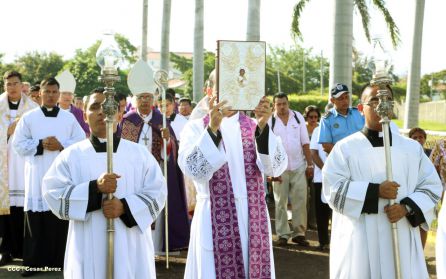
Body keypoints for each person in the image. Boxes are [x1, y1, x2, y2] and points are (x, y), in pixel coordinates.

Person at [42, 90, 167, 278]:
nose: (102, 112)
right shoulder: (71, 155)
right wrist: (94, 189)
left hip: (131, 243)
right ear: (84, 116)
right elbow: (52, 193)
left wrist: (125, 207)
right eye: (94, 107)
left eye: (108, 107)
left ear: (119, 115)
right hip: (86, 243)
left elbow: (158, 192)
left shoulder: (139, 154)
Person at [322, 84, 442, 278]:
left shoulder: (412, 148)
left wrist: (406, 208)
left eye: (386, 101)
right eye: (374, 101)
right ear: (361, 108)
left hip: (401, 234)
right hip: (361, 240)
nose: (381, 107)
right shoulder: (345, 148)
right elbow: (332, 190)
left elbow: (431, 186)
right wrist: (375, 191)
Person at [179, 76, 288, 278]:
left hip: (253, 217)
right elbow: (194, 170)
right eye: (223, 85)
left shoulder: (256, 125)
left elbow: (276, 168)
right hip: (213, 218)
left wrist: (264, 129)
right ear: (209, 91)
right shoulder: (195, 127)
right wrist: (212, 130)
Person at [12, 77, 85, 276]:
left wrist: (61, 145)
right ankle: (33, 263)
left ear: (59, 94)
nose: (51, 95)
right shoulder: (29, 117)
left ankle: (60, 262)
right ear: (41, 93)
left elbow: (80, 142)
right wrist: (40, 144)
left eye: (55, 92)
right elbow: (18, 144)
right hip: (36, 174)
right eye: (48, 92)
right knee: (36, 219)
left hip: (61, 176)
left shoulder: (69, 119)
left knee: (59, 220)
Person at [120, 59, 190, 252]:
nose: (145, 100)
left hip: (157, 170)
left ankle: (155, 247)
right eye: (141, 97)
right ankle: (135, 247)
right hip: (132, 173)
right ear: (135, 99)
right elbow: (121, 149)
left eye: (148, 97)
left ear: (153, 99)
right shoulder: (128, 121)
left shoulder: (162, 121)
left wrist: (168, 141)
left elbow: (171, 153)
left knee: (156, 207)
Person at [0, 71, 38, 266]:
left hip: (24, 165)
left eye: (15, 83)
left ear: (22, 85)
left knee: (24, 208)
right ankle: (6, 250)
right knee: (5, 211)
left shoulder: (32, 108)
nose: (12, 87)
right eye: (8, 84)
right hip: (4, 165)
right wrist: (6, 132)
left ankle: (25, 251)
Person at [270, 93, 313, 246]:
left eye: (284, 104)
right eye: (278, 104)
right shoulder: (271, 120)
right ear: (274, 106)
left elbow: (305, 142)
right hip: (279, 168)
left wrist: (310, 164)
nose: (282, 107)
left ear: (288, 103)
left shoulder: (297, 117)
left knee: (300, 200)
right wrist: (270, 171)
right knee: (280, 201)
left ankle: (299, 233)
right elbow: (266, 147)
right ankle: (282, 234)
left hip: (299, 165)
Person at [309, 103, 333, 251]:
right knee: (322, 212)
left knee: (337, 213)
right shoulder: (318, 130)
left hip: (340, 178)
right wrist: (326, 170)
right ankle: (324, 241)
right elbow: (313, 153)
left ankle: (338, 242)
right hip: (321, 178)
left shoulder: (344, 131)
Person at [318, 83, 364, 153]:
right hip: (340, 159)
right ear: (332, 100)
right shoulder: (327, 119)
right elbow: (326, 145)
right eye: (341, 98)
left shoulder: (359, 113)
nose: (345, 101)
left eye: (346, 97)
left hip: (361, 155)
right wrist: (345, 156)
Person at [56, 70, 89, 136]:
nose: (67, 96)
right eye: (64, 93)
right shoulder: (51, 111)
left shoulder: (80, 113)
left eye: (70, 94)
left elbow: (87, 132)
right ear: (58, 95)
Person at [304, 105, 321, 230]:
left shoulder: (321, 128)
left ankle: (313, 221)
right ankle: (303, 221)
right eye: (311, 117)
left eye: (316, 117)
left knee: (315, 195)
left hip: (318, 166)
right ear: (306, 117)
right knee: (304, 195)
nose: (313, 119)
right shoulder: (302, 129)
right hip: (303, 165)